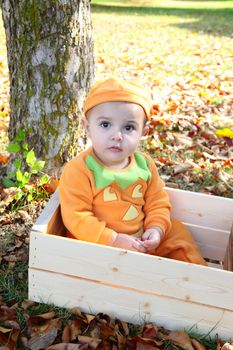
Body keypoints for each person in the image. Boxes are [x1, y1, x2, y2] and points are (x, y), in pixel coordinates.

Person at [58, 78, 206, 265]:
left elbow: (157, 201)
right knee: (87, 247)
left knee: (178, 232)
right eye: (105, 125)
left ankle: (198, 278)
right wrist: (113, 240)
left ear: (142, 132)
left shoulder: (143, 164)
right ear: (88, 127)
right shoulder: (80, 169)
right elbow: (76, 216)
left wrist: (155, 228)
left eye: (128, 127)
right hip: (99, 244)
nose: (117, 136)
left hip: (140, 239)